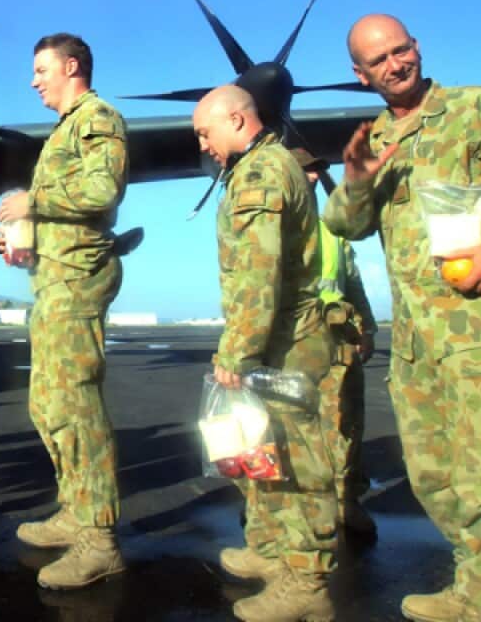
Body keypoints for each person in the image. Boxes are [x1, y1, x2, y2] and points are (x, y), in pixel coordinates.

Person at [324, 14, 481, 622]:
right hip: (418, 344)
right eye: (380, 60)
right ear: (360, 75)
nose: (396, 64)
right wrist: (356, 182)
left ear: (417, 47)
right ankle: (479, 583)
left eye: (402, 50)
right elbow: (344, 224)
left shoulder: (476, 110)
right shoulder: (378, 138)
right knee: (434, 477)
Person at [195, 86, 338, 621]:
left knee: (297, 461)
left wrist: (237, 352)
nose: (203, 144)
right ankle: (275, 550)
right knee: (266, 451)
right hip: (275, 341)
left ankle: (308, 581)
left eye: (205, 132)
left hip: (285, 344)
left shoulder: (261, 173)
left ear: (236, 119)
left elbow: (259, 274)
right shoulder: (261, 166)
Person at [0, 33, 127, 590]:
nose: (34, 81)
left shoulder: (97, 118)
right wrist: (25, 238)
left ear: (71, 67)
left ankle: (100, 538)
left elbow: (103, 190)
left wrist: (34, 201)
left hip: (77, 280)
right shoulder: (63, 130)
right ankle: (76, 507)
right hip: (53, 279)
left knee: (75, 405)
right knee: (47, 404)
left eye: (41, 70)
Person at [289, 146, 379, 538]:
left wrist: (368, 327)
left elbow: (352, 280)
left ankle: (347, 502)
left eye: (316, 171)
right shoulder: (278, 224)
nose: (314, 177)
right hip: (295, 340)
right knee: (289, 429)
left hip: (339, 336)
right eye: (305, 171)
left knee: (346, 424)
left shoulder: (331, 226)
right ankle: (282, 511)